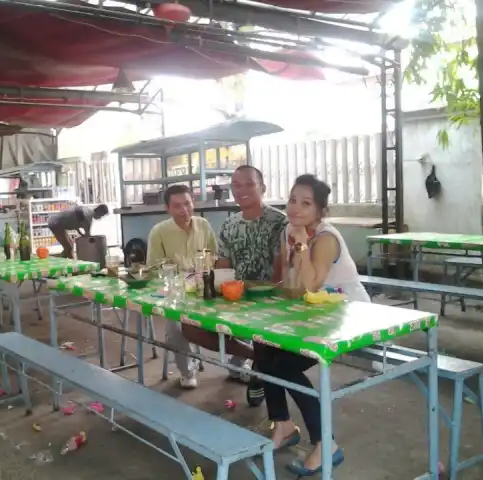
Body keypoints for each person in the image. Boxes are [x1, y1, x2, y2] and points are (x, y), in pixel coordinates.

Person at [258, 174, 369, 477]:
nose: (295, 208)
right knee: (263, 347)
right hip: (316, 316)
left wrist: (302, 244)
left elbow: (311, 282)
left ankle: (325, 443)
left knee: (283, 366)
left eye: (306, 203)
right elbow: (286, 281)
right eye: (293, 200)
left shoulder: (325, 238)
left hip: (352, 319)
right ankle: (282, 424)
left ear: (321, 211)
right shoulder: (290, 232)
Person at [211, 165, 288, 406]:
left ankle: (261, 372)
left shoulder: (279, 222)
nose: (241, 190)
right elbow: (223, 267)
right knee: (190, 328)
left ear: (262, 188)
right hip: (236, 298)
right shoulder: (229, 224)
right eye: (236, 185)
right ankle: (256, 359)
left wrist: (267, 297)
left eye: (249, 184)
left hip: (269, 301)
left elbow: (280, 272)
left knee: (265, 334)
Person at [146, 184, 218, 389]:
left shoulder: (203, 225)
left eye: (187, 203)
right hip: (175, 293)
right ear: (168, 208)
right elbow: (154, 270)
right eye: (177, 206)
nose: (184, 210)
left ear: (193, 203)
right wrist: (182, 279)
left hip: (205, 288)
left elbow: (214, 255)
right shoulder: (159, 232)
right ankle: (187, 371)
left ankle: (239, 364)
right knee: (175, 327)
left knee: (235, 318)